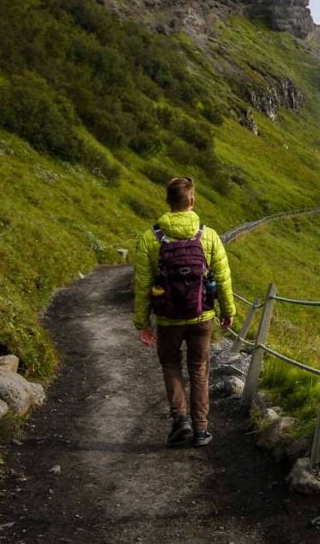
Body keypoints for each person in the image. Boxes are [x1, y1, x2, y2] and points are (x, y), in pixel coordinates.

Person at [133, 176, 236, 447]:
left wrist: (142, 322)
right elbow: (223, 277)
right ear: (192, 200)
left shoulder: (150, 238)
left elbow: (142, 284)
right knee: (199, 368)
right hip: (202, 315)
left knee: (170, 364)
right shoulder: (208, 235)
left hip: (167, 318)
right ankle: (201, 430)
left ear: (168, 201)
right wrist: (228, 310)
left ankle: (180, 421)